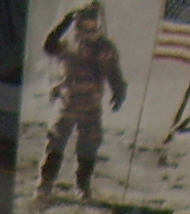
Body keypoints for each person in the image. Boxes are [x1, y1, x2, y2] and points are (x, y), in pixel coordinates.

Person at [39, 4, 128, 201]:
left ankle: (82, 187)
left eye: (92, 22)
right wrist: (66, 21)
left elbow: (113, 72)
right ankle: (45, 185)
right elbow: (49, 45)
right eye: (84, 22)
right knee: (55, 144)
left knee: (88, 147)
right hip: (67, 105)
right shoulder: (68, 45)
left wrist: (118, 92)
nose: (88, 26)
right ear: (78, 23)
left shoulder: (104, 48)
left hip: (91, 107)